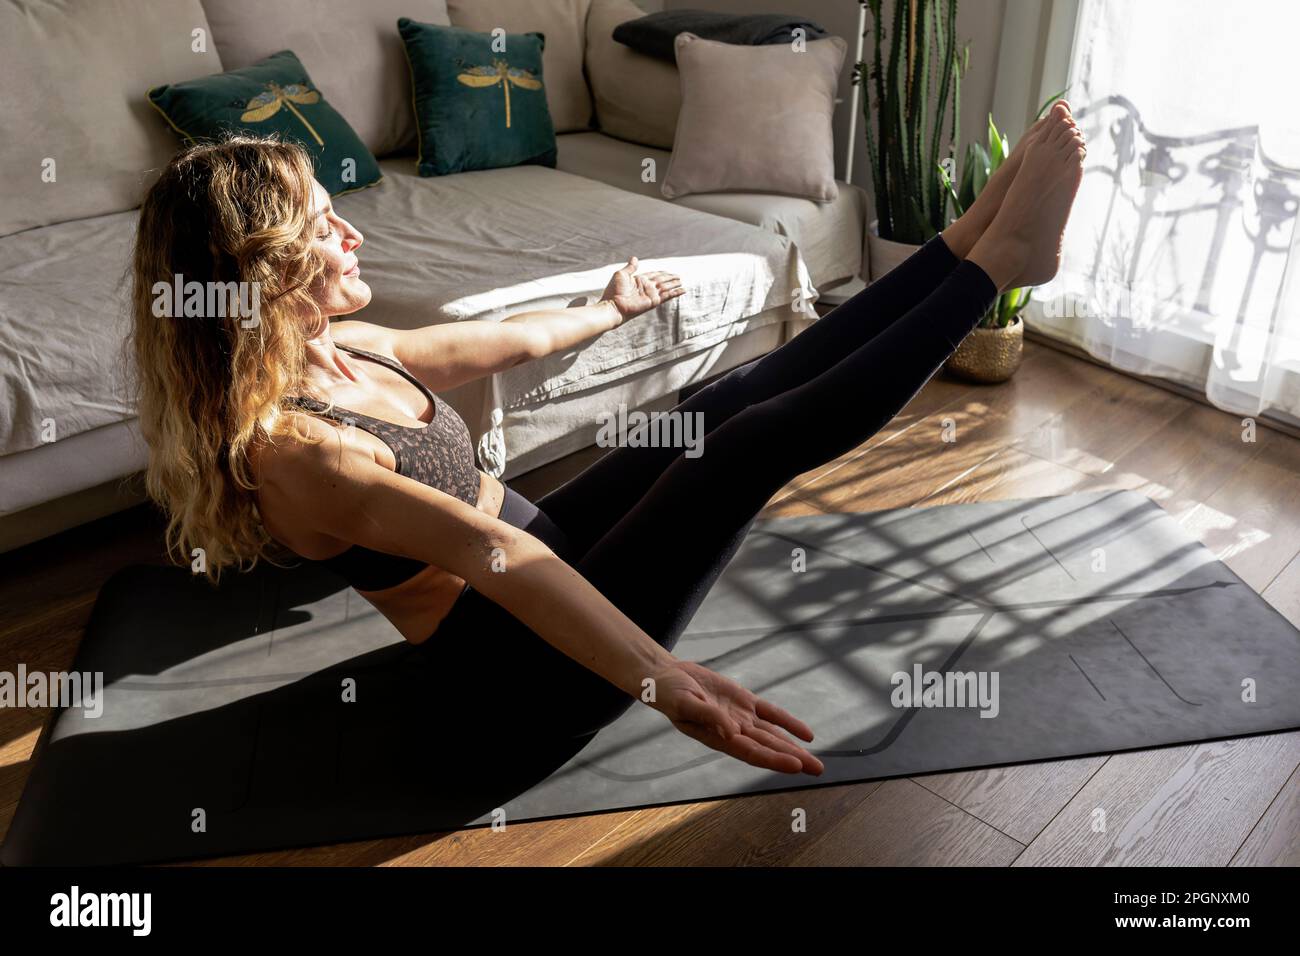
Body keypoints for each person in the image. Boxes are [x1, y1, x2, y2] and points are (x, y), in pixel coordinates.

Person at [128, 103, 1085, 777]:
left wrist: (605, 307)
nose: (352, 234)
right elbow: (492, 554)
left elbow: (503, 342)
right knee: (752, 445)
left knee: (720, 405)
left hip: (546, 553)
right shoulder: (301, 451)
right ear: (264, 272)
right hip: (512, 678)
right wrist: (668, 681)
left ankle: (961, 242)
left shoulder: (348, 347)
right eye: (323, 228)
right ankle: (995, 269)